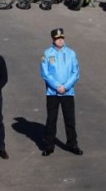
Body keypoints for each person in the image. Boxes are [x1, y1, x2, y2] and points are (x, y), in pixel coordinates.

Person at [40, 28, 83, 156]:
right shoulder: (47, 54)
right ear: (53, 39)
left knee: (70, 119)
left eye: (62, 38)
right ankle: (49, 145)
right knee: (51, 120)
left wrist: (66, 86)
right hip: (52, 93)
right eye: (58, 39)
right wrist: (57, 86)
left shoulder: (71, 53)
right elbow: (45, 73)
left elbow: (76, 72)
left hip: (68, 92)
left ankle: (72, 144)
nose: (60, 41)